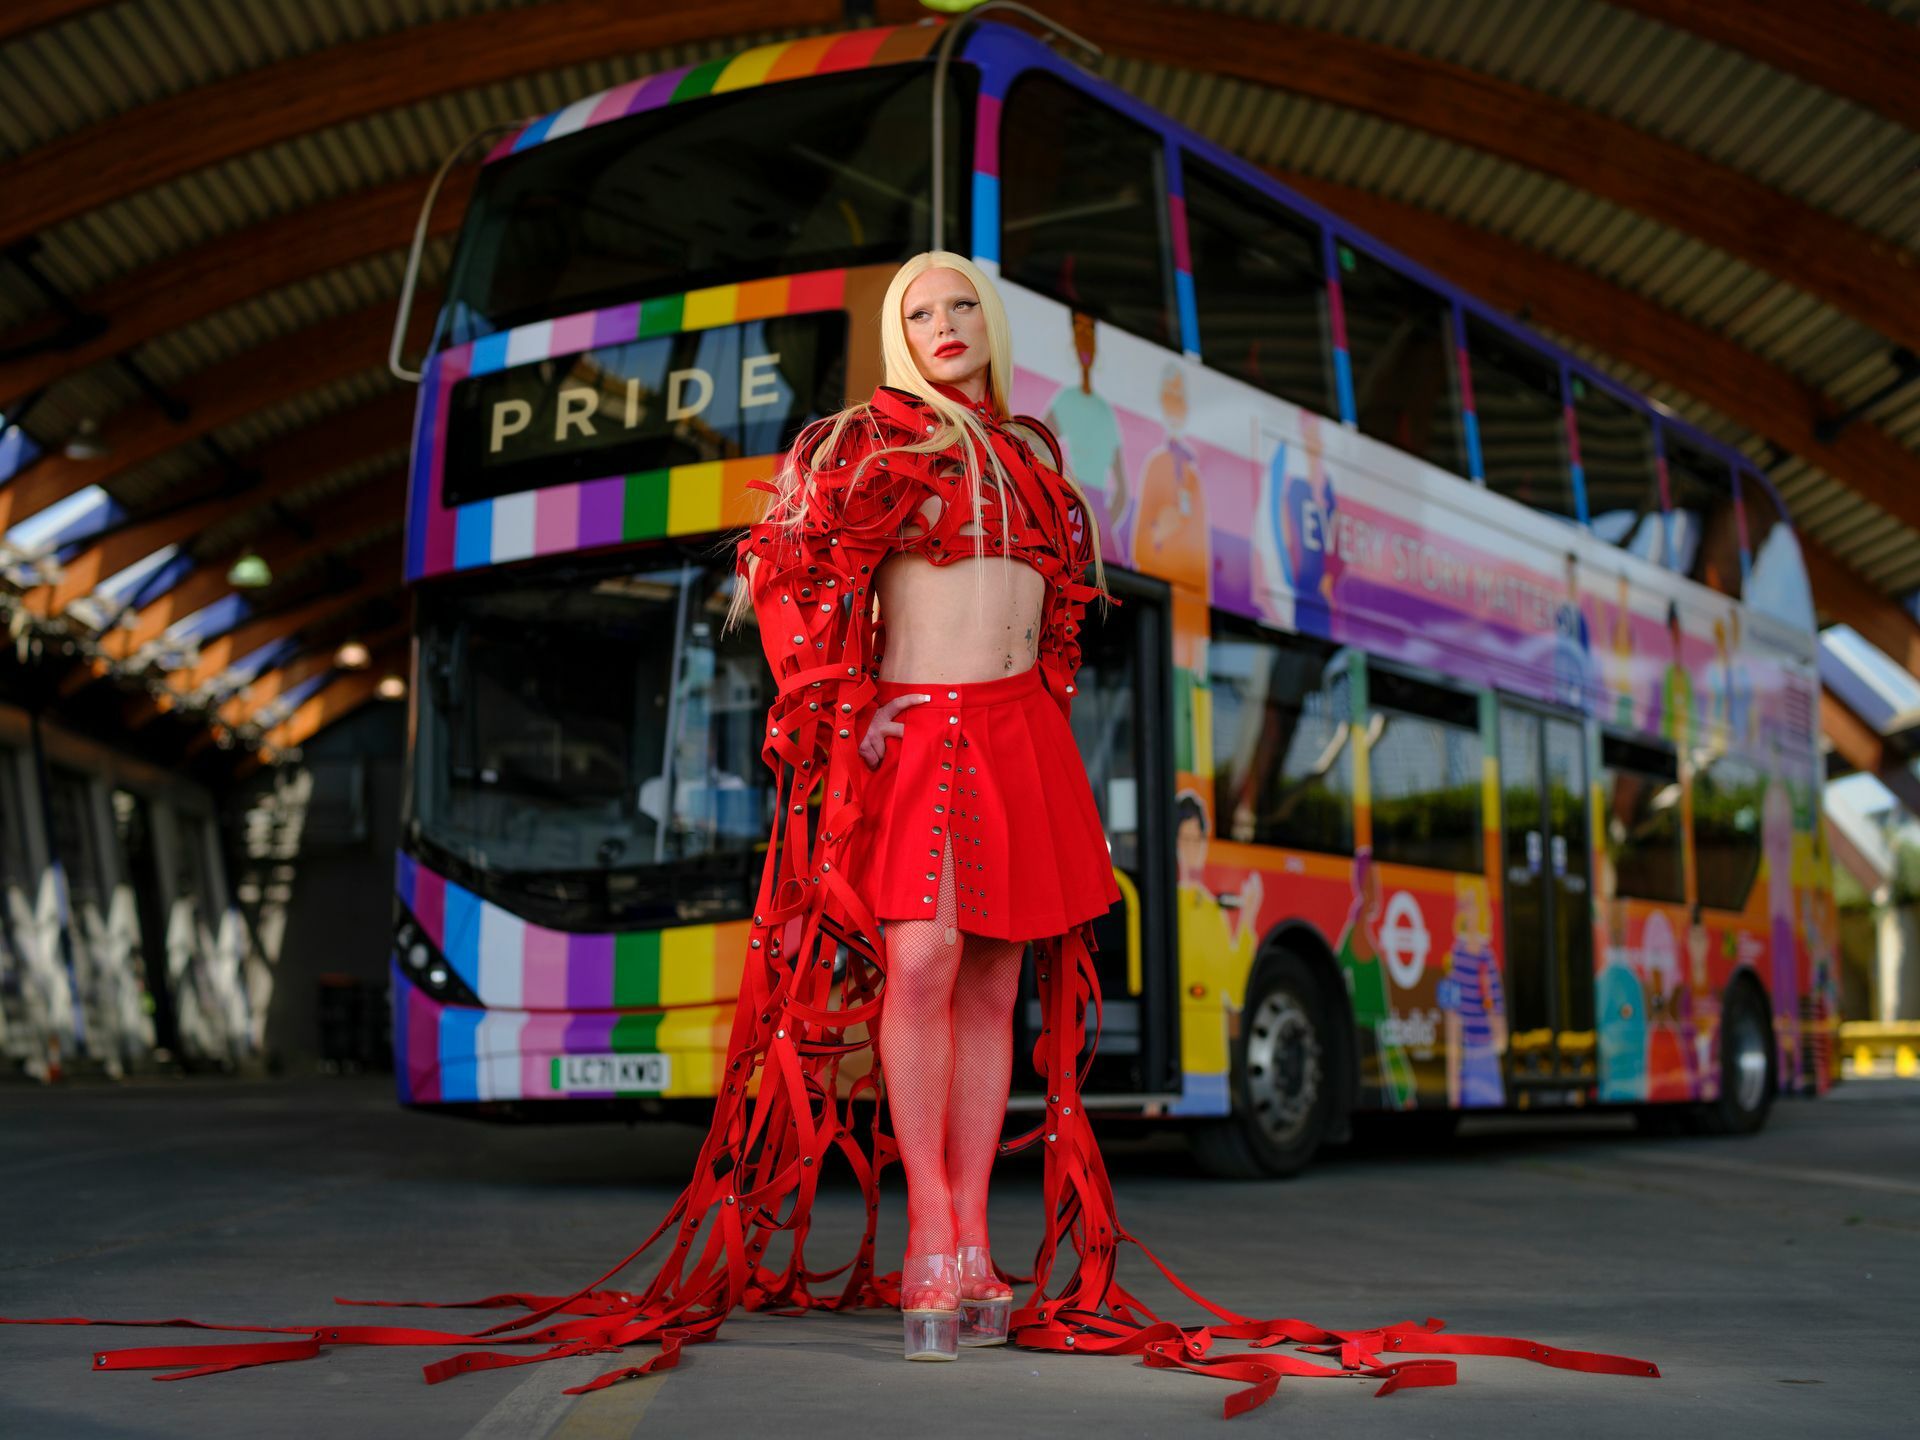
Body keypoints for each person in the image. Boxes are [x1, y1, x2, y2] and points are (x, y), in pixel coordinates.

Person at [1, 252, 1660, 1415]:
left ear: (990, 334)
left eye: (965, 306)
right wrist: (829, 694)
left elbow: (1067, 619)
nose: (944, 323)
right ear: (890, 332)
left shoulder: (1036, 461)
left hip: (1018, 743)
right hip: (916, 741)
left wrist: (1050, 694)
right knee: (922, 958)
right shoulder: (855, 446)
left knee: (1003, 981)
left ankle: (970, 1248)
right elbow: (782, 573)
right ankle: (941, 1237)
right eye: (920, 307)